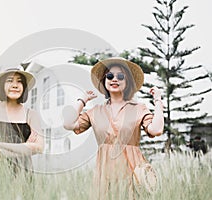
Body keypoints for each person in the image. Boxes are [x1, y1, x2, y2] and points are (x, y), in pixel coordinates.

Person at [63, 57, 164, 199]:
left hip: (131, 173)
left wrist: (158, 101)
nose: (114, 79)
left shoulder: (139, 108)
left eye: (120, 76)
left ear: (127, 81)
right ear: (104, 81)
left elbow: (157, 129)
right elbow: (68, 123)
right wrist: (82, 100)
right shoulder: (96, 111)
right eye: (109, 76)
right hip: (105, 173)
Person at [0, 66, 44, 184]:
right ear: (2, 85)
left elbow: (39, 146)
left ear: (24, 87)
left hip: (23, 174)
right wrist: (24, 148)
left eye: (19, 81)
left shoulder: (31, 114)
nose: (15, 85)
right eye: (9, 80)